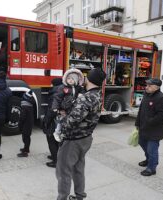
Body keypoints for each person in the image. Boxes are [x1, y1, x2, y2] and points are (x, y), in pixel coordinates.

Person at [56, 67, 106, 200]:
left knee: (63, 172)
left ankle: (62, 198)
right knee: (78, 168)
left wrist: (62, 117)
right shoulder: (97, 94)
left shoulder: (86, 97)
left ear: (88, 79)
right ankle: (79, 195)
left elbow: (72, 121)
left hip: (74, 140)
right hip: (86, 138)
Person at [135, 78, 163, 176]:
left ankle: (151, 168)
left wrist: (150, 121)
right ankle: (149, 160)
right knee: (142, 143)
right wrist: (137, 123)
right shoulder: (146, 94)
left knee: (152, 149)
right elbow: (141, 110)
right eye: (147, 85)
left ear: (156, 87)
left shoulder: (161, 98)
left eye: (149, 86)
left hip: (154, 130)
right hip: (143, 127)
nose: (146, 87)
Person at [52, 68, 84, 142]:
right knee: (61, 120)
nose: (70, 80)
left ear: (76, 80)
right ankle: (57, 132)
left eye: (72, 79)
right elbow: (57, 97)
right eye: (68, 78)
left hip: (73, 108)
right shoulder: (63, 87)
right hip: (64, 107)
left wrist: (81, 94)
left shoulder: (78, 88)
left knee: (70, 121)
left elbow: (83, 91)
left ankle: (65, 134)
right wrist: (55, 107)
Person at [42, 78, 63, 168]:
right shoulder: (62, 92)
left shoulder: (54, 94)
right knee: (56, 139)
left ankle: (56, 161)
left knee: (51, 140)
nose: (50, 85)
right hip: (59, 120)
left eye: (51, 84)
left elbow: (52, 110)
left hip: (53, 121)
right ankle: (55, 156)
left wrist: (46, 121)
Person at [17, 90, 34, 157]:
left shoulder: (24, 107)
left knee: (25, 138)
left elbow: (22, 118)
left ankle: (25, 151)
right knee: (27, 137)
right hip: (29, 124)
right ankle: (26, 148)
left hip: (25, 125)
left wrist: (20, 125)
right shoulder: (30, 106)